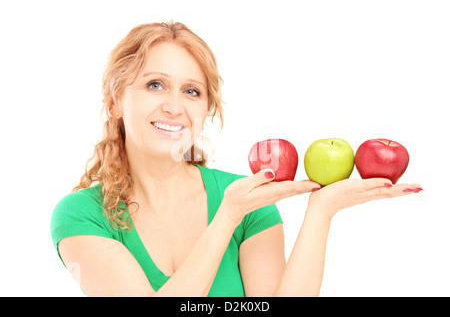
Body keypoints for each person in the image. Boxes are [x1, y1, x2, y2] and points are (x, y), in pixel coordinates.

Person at [50, 21, 422, 297]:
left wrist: (320, 213)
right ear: (115, 100)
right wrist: (226, 217)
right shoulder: (81, 215)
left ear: (206, 108)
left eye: (192, 91)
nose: (174, 106)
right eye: (155, 84)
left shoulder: (249, 198)